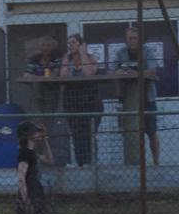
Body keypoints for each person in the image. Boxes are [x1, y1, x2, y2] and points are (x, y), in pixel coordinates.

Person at [112, 26, 161, 166]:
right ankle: (138, 164)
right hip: (128, 99)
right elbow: (113, 70)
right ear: (126, 40)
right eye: (129, 38)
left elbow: (152, 71)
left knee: (151, 132)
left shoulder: (148, 51)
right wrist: (119, 72)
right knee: (132, 133)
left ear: (140, 39)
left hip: (147, 98)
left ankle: (157, 162)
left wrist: (133, 74)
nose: (132, 41)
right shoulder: (121, 53)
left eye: (135, 38)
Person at [59, 33, 101, 167]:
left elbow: (89, 73)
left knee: (89, 132)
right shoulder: (67, 59)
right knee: (77, 134)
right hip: (72, 100)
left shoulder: (91, 57)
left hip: (90, 100)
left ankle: (90, 162)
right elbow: (63, 76)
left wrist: (83, 54)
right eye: (69, 43)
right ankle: (80, 162)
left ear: (81, 44)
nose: (70, 45)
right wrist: (65, 61)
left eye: (73, 42)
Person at [16, 121, 54, 214]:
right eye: (35, 132)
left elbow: (50, 160)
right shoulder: (25, 153)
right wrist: (25, 198)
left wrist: (45, 142)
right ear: (27, 136)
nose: (38, 134)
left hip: (36, 190)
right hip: (29, 191)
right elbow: (21, 177)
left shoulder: (33, 153)